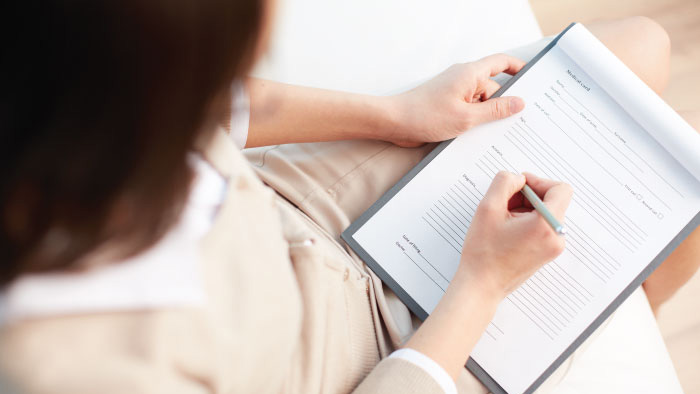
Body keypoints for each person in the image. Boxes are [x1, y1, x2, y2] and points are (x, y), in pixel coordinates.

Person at [0, 1, 697, 393]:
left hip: (295, 210)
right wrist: (482, 286)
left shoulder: (62, 88)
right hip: (349, 368)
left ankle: (625, 296)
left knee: (637, 49)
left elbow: (227, 108)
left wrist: (402, 114)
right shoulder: (79, 369)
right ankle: (624, 309)